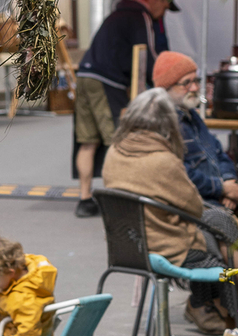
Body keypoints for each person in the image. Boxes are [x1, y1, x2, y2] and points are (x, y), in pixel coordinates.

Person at [102, 88, 238, 334]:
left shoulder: (114, 152)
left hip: (129, 246)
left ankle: (219, 309)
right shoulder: (164, 160)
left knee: (217, 225)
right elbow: (193, 206)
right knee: (221, 230)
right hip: (169, 249)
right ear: (167, 123)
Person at [73, 0, 178, 218]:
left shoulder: (116, 15)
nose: (164, 13)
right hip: (108, 81)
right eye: (166, 6)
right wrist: (167, 83)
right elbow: (149, 57)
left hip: (84, 75)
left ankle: (85, 199)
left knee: (88, 142)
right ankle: (118, 200)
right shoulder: (140, 17)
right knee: (117, 140)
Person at [154, 51, 238, 236]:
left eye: (196, 80)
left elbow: (219, 153)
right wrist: (222, 189)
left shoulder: (193, 116)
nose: (195, 87)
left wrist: (230, 182)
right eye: (186, 83)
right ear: (166, 88)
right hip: (201, 208)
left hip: (223, 199)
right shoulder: (164, 125)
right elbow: (180, 173)